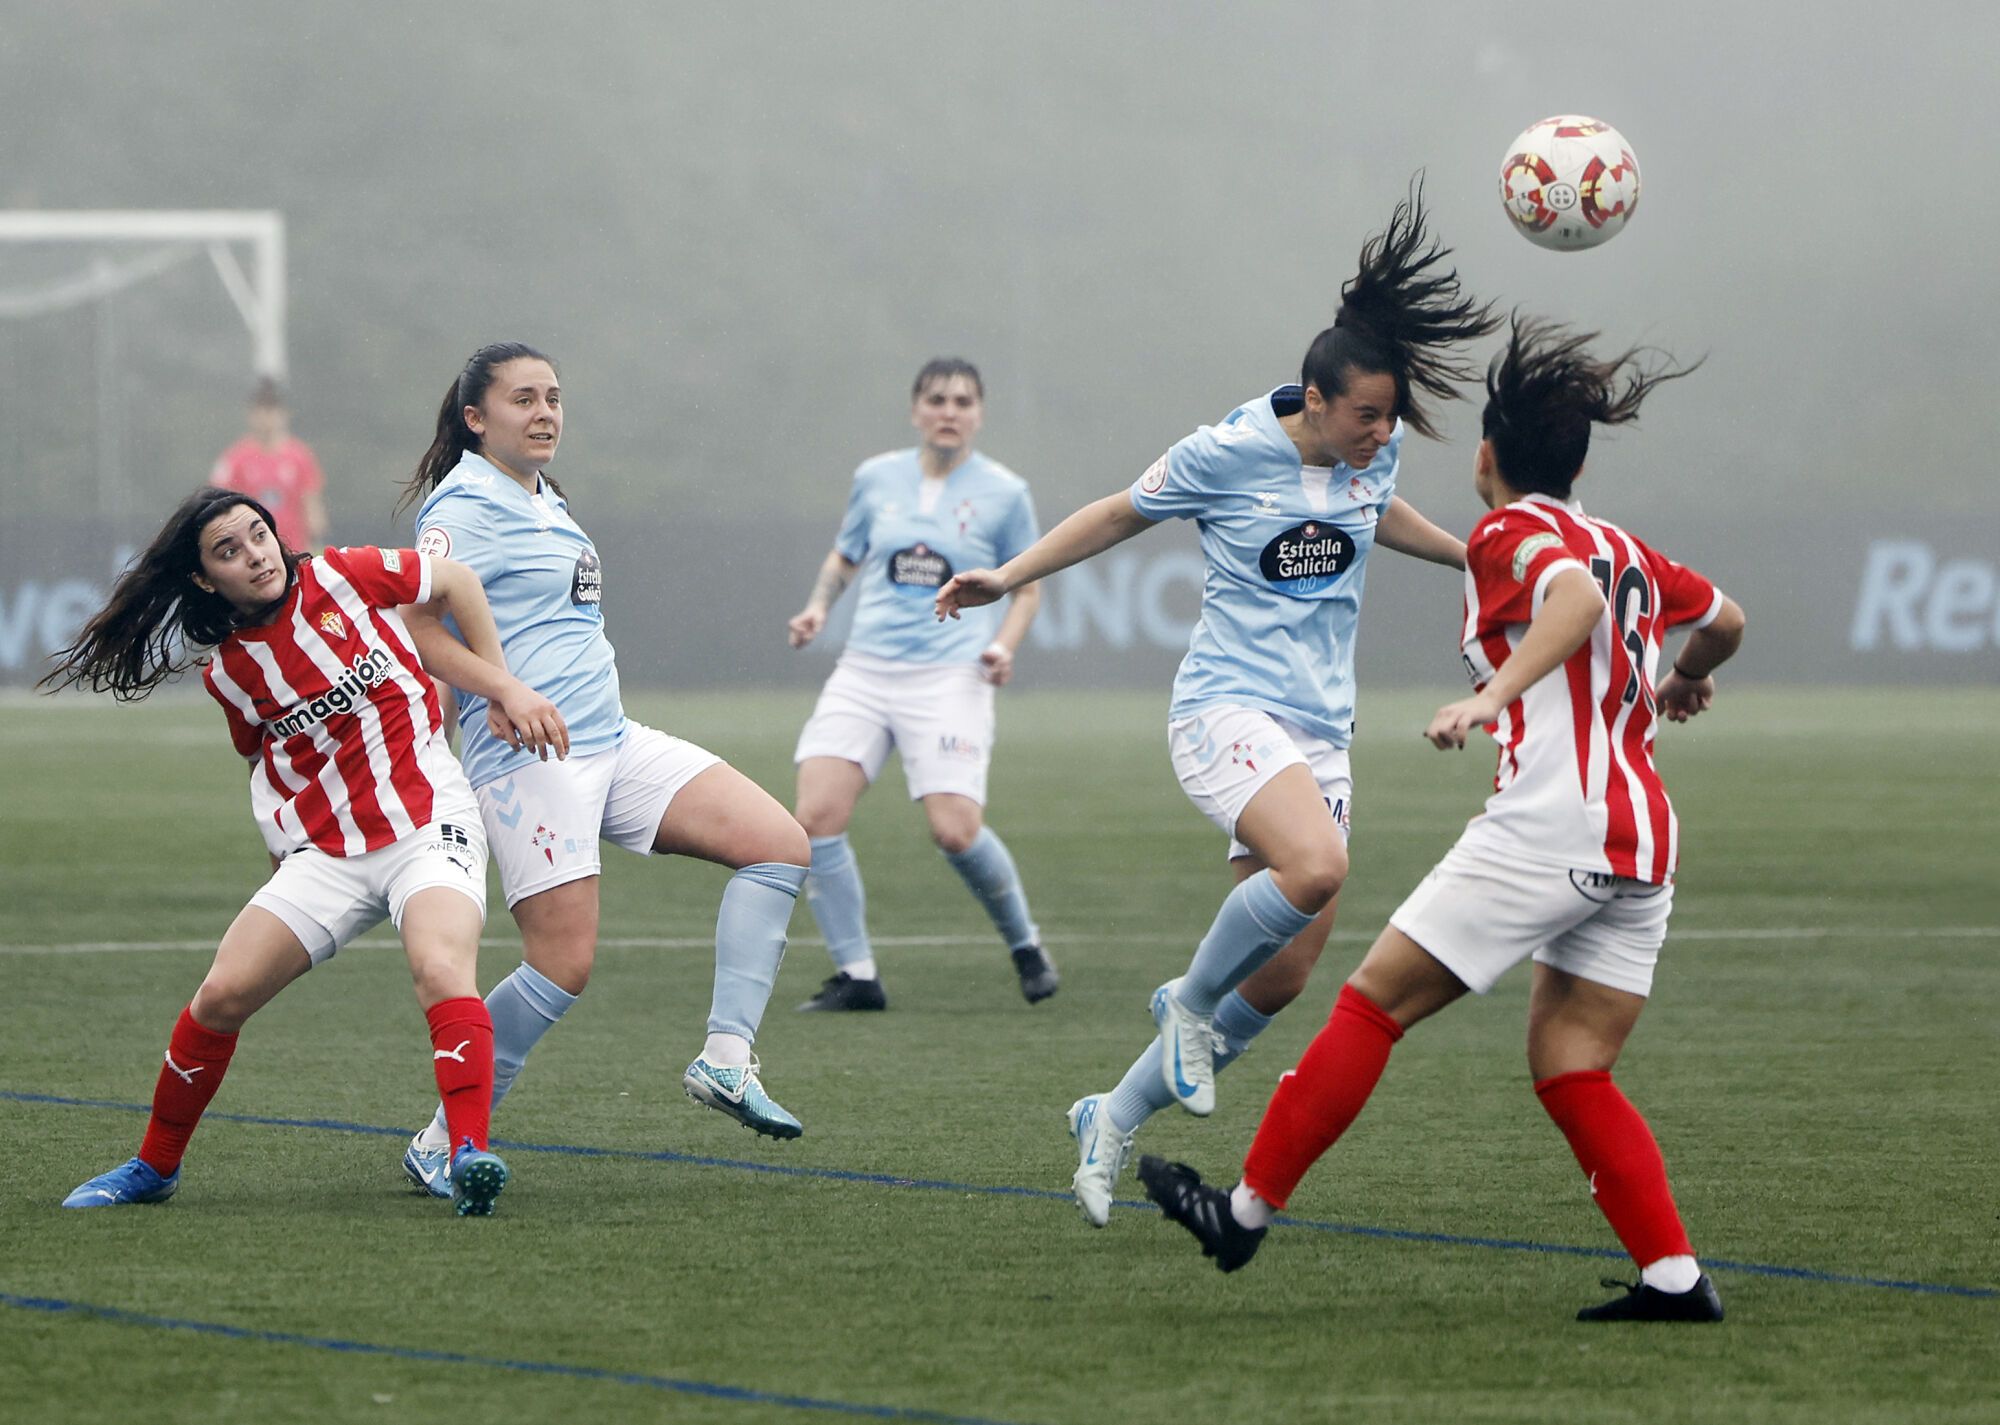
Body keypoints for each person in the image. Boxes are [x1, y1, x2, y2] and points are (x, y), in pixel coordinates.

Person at [1138, 315, 1746, 1324]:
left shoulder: (1515, 533)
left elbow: (1573, 606)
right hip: (1641, 839)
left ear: (1485, 458)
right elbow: (1724, 620)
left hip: (1551, 824)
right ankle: (1673, 1278)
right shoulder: (1624, 545)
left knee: (1371, 1005)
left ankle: (1238, 1214)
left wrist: (1489, 697)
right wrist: (1683, 678)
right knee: (1570, 1063)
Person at [937, 184, 1495, 1226]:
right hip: (1224, 711)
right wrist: (1003, 579)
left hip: (1320, 731)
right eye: (1366, 415)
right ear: (1315, 399)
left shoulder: (1373, 454)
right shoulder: (1226, 451)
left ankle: (1108, 1113)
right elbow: (1113, 514)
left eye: (1390, 416)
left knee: (1283, 976)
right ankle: (1183, 1002)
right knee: (1316, 867)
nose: (1383, 432)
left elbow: (1381, 514)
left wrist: (1476, 558)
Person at [41, 487, 562, 1216]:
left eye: (258, 534)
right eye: (230, 550)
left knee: (441, 968)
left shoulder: (343, 575)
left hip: (426, 822)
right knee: (220, 995)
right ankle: (153, 1167)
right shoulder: (229, 672)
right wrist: (282, 862)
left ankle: (465, 1153)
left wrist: (502, 686)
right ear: (203, 579)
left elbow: (457, 582)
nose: (255, 554)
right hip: (327, 855)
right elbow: (269, 765)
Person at [395, 342, 813, 1196]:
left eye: (553, 397)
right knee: (562, 962)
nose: (546, 411)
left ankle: (726, 1060)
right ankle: (443, 1139)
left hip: (610, 740)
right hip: (526, 758)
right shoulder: (464, 504)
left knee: (779, 843)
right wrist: (505, 688)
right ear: (477, 418)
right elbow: (420, 629)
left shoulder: (547, 500)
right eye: (523, 399)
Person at [786, 358, 1054, 1012]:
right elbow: (847, 553)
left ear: (979, 414)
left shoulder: (1005, 491)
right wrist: (821, 605)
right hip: (867, 667)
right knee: (814, 819)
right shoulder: (876, 477)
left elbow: (1029, 586)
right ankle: (858, 975)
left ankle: (1024, 942)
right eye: (937, 399)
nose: (949, 411)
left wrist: (1001, 645)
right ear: (916, 409)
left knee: (956, 831)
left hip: (949, 677)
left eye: (963, 401)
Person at [209, 378, 329, 554]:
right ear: (251, 414)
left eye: (272, 410)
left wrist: (315, 543)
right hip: (252, 554)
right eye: (261, 410)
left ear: (284, 413)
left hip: (294, 550)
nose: (266, 417)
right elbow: (219, 505)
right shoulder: (236, 458)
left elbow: (312, 508)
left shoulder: (300, 456)